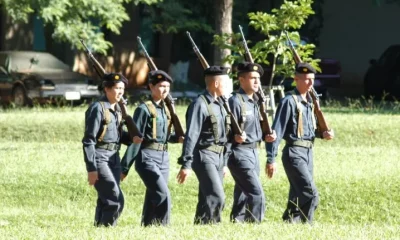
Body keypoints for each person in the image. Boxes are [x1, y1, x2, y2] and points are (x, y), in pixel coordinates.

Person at [266, 63, 334, 224]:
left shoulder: (310, 102)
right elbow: (277, 131)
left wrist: (323, 133)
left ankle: (290, 223)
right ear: (296, 80)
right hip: (294, 153)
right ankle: (306, 225)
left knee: (297, 193)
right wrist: (271, 158)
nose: (311, 84)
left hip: (308, 152)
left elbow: (308, 130)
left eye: (312, 80)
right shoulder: (288, 101)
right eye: (306, 80)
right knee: (310, 193)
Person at [120, 70, 181, 227]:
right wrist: (124, 167)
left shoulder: (167, 109)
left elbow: (166, 135)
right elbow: (136, 139)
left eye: (167, 86)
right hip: (146, 156)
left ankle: (148, 226)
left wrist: (178, 138)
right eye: (161, 86)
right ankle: (163, 226)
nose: (165, 90)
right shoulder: (144, 109)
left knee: (154, 192)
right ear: (151, 87)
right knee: (163, 192)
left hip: (163, 157)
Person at [176, 65, 230, 224]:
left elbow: (224, 136)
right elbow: (191, 135)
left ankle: (202, 228)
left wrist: (224, 162)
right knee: (217, 196)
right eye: (226, 84)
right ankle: (212, 228)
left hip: (218, 157)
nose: (228, 88)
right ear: (216, 84)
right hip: (204, 156)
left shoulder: (220, 104)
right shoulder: (200, 104)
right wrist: (186, 163)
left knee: (206, 197)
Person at [82, 73, 136, 227]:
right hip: (100, 158)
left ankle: (99, 230)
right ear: (106, 89)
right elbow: (88, 140)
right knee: (115, 198)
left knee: (105, 198)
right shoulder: (97, 108)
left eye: (122, 89)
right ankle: (108, 230)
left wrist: (134, 137)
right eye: (117, 88)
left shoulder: (118, 109)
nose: (120, 92)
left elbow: (117, 136)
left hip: (114, 158)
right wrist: (91, 168)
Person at [225, 62, 270, 223]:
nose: (257, 82)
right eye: (252, 78)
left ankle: (238, 221)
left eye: (258, 78)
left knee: (243, 191)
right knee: (256, 192)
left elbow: (255, 127)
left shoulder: (255, 101)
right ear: (241, 80)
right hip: (239, 152)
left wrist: (267, 135)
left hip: (253, 151)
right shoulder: (236, 101)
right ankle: (255, 225)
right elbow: (226, 132)